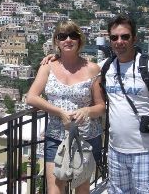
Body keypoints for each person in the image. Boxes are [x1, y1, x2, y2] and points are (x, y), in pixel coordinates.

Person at [41, 14, 149, 193]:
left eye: (125, 36)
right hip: (115, 152)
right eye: (114, 37)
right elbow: (78, 67)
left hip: (146, 151)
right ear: (110, 40)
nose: (119, 41)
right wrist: (55, 56)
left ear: (134, 38)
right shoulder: (105, 67)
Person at [26, 20, 105, 194]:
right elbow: (31, 97)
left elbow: (101, 107)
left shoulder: (93, 69)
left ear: (80, 40)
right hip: (56, 136)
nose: (68, 40)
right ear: (57, 41)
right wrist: (59, 112)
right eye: (62, 36)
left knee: (82, 188)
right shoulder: (48, 67)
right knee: (55, 189)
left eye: (73, 35)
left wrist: (86, 111)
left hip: (86, 136)